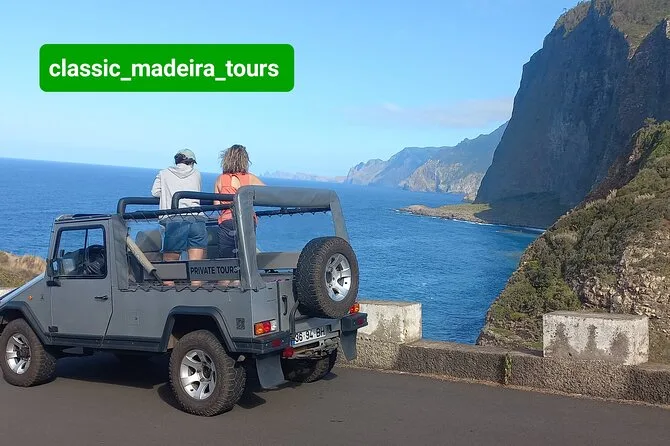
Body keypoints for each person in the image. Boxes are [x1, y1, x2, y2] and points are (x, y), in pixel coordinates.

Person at [151, 149, 207, 286]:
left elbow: (155, 192)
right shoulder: (197, 174)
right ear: (192, 162)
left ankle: (170, 294)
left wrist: (167, 193)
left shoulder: (164, 173)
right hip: (197, 219)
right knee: (196, 266)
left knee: (170, 264)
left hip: (175, 219)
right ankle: (196, 292)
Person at [214, 145, 264, 285]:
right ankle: (243, 285)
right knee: (245, 256)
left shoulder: (220, 179)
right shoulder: (251, 179)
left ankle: (224, 287)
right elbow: (267, 194)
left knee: (226, 261)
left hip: (227, 221)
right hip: (247, 220)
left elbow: (216, 204)